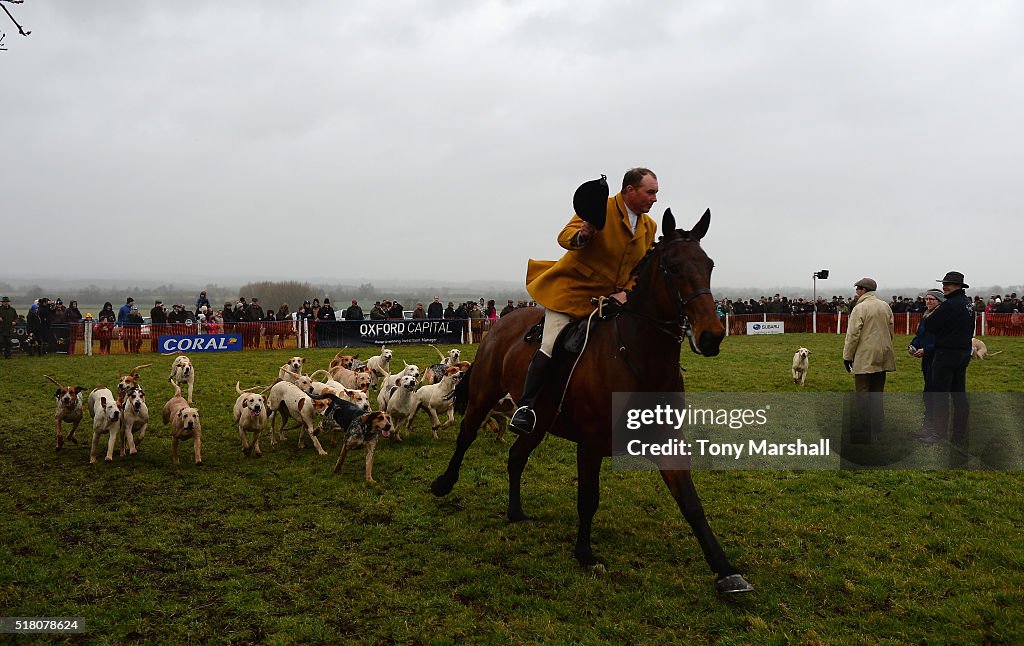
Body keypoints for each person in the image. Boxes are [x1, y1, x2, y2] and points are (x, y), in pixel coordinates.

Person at [510, 168, 660, 434]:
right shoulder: (599, 207)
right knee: (550, 343)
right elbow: (565, 236)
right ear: (630, 191)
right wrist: (583, 234)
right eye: (650, 192)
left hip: (612, 300)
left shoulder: (649, 226)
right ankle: (526, 407)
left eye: (656, 193)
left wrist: (625, 292)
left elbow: (641, 267)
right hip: (572, 293)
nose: (655, 199)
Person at [920, 271, 975, 445]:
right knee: (959, 395)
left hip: (946, 353)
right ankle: (959, 434)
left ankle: (939, 433)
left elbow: (930, 324)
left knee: (940, 394)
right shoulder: (968, 303)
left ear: (958, 286)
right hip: (963, 352)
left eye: (948, 284)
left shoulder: (950, 304)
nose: (945, 286)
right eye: (944, 283)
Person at [841, 278, 896, 439]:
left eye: (857, 289)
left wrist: (847, 356)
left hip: (865, 354)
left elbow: (853, 335)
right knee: (878, 391)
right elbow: (891, 330)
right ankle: (878, 423)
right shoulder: (885, 306)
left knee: (863, 391)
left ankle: (865, 425)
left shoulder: (860, 308)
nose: (856, 292)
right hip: (884, 352)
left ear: (863, 290)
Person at [907, 289, 944, 438]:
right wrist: (913, 345)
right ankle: (927, 425)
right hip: (926, 358)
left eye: (932, 299)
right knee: (927, 393)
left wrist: (926, 350)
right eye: (927, 299)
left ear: (939, 301)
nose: (928, 302)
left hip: (936, 357)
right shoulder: (925, 316)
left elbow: (940, 339)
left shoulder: (941, 317)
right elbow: (920, 334)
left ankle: (936, 428)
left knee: (934, 393)